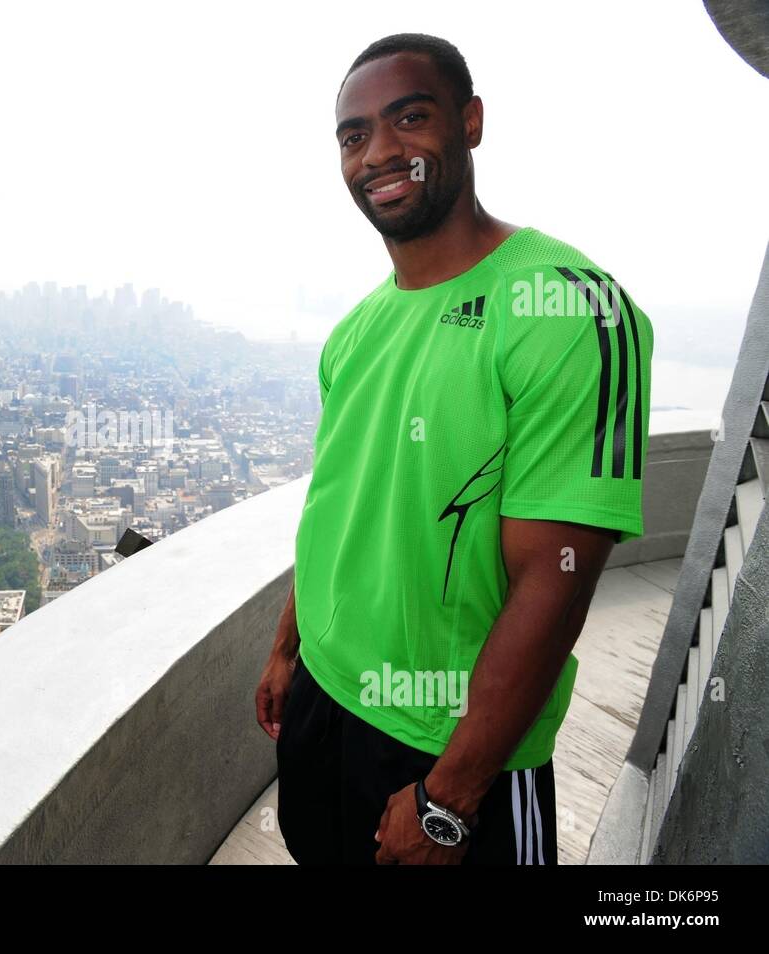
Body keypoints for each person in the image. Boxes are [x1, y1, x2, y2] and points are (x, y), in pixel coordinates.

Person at [254, 33, 653, 865]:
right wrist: (291, 646)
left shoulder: (571, 309)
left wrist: (451, 797)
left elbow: (558, 576)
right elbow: (343, 501)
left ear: (469, 123)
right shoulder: (356, 331)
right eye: (354, 135)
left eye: (410, 117)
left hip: (453, 746)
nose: (380, 152)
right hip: (325, 708)